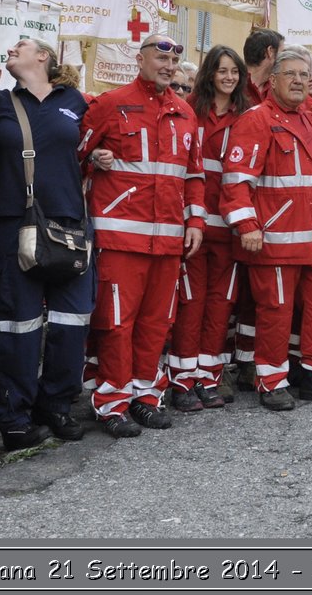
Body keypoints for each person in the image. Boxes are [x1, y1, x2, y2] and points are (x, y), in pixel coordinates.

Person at [81, 34, 206, 436]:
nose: (168, 66)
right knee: (117, 323)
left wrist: (196, 223)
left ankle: (145, 396)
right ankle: (112, 401)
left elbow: (194, 175)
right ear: (140, 59)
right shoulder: (111, 104)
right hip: (120, 239)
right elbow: (75, 155)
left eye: (174, 60)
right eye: (160, 57)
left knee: (157, 324)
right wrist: (94, 160)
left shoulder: (185, 113)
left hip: (168, 242)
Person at [220, 47, 312, 409]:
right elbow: (235, 182)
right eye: (291, 74)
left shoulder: (309, 118)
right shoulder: (257, 120)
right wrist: (247, 224)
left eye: (305, 74)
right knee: (276, 311)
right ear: (273, 79)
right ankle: (271, 381)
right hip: (276, 240)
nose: (299, 81)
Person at [0, 38, 91, 447]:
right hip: (15, 224)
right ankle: (14, 416)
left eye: (22, 45)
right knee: (18, 324)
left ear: (44, 57)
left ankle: (57, 404)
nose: (11, 49)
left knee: (73, 321)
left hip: (69, 223)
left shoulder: (77, 102)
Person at [167, 44, 248, 411]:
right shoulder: (189, 112)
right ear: (210, 73)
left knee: (220, 307)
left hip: (230, 231)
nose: (228, 77)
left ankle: (208, 377)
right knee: (191, 304)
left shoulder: (247, 116)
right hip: (195, 228)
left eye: (234, 71)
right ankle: (183, 381)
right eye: (222, 70)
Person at [241, 28, 284, 109]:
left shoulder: (278, 88)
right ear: (270, 51)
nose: (285, 60)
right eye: (282, 53)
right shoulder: (234, 86)